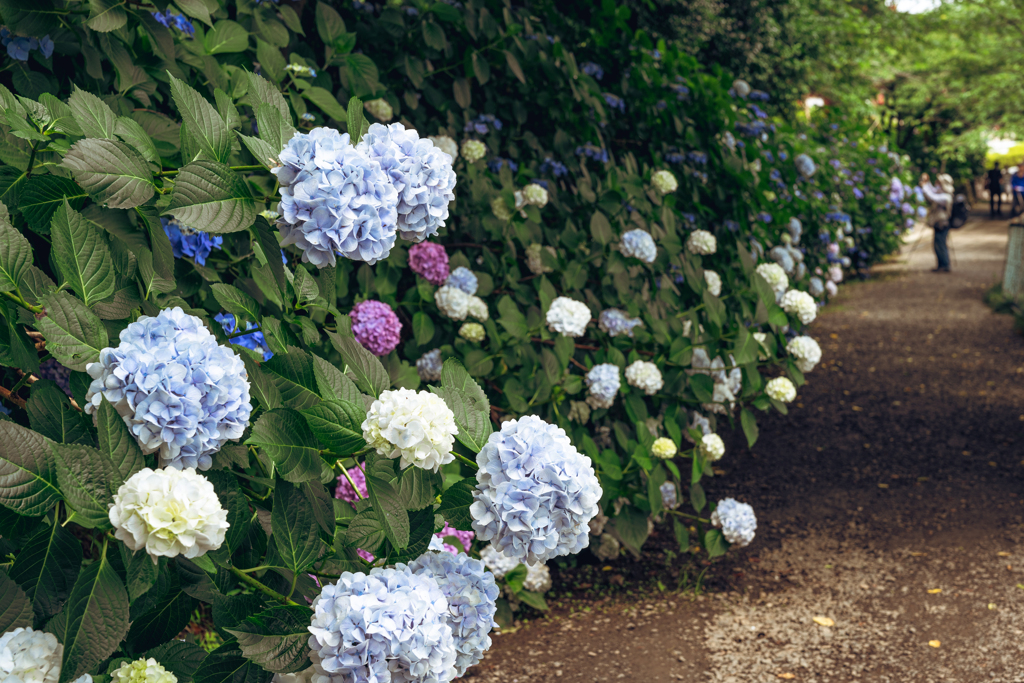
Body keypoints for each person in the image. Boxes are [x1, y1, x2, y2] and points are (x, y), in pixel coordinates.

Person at [921, 172, 953, 272]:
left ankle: (945, 265)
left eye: (939, 182)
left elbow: (932, 196)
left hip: (942, 224)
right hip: (939, 224)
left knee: (940, 245)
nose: (937, 184)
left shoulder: (946, 197)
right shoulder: (942, 193)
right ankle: (941, 265)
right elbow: (933, 191)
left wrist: (924, 186)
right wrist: (927, 182)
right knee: (937, 244)